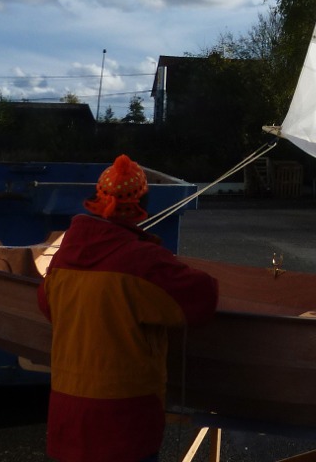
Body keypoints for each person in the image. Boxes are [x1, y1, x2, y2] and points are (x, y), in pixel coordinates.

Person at [37, 154, 218, 462]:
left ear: (96, 199)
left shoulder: (64, 257)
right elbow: (203, 299)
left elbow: (46, 305)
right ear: (141, 205)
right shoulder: (143, 262)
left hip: (68, 424)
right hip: (123, 429)